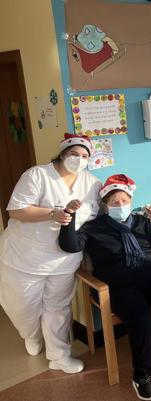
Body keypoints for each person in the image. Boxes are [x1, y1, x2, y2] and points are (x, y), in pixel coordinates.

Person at [58, 174, 151, 400]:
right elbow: (70, 245)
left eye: (125, 201)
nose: (121, 206)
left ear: (131, 200)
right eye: (115, 203)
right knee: (142, 317)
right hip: (119, 287)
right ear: (105, 205)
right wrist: (69, 215)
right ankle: (142, 375)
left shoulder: (141, 221)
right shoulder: (94, 228)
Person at [0, 133, 101, 374]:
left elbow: (94, 216)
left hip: (64, 260)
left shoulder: (92, 183)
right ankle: (31, 334)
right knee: (22, 307)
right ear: (63, 154)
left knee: (57, 308)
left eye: (85, 156)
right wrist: (52, 214)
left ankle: (59, 355)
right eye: (74, 154)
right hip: (24, 256)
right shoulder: (37, 175)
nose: (79, 159)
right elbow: (16, 211)